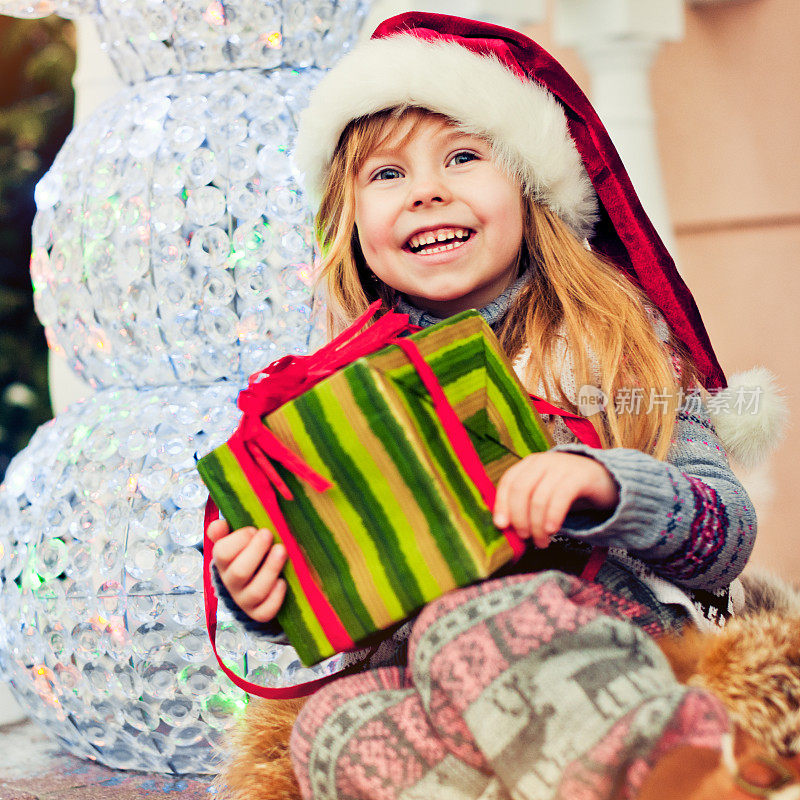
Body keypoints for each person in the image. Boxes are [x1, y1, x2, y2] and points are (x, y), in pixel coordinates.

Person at [206, 12, 788, 800]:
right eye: (387, 175)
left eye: (463, 156)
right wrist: (265, 591)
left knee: (460, 628)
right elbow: (345, 586)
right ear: (350, 223)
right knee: (332, 720)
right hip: (437, 699)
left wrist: (606, 487)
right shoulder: (344, 399)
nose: (427, 191)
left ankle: (685, 779)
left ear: (530, 186)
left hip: (624, 653)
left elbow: (725, 537)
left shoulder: (613, 351)